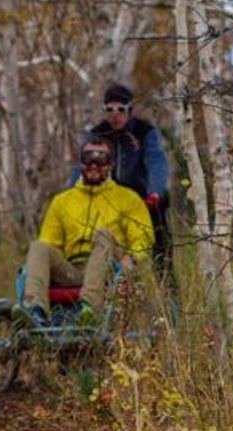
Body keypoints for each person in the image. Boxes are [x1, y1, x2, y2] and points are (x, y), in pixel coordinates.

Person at [14, 137, 154, 329]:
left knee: (104, 235)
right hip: (73, 269)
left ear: (110, 164)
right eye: (89, 158)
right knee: (39, 247)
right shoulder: (62, 201)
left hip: (110, 267)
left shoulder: (127, 199)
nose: (94, 165)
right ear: (81, 163)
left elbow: (143, 238)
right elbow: (49, 242)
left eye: (101, 159)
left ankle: (88, 309)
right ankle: (35, 313)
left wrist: (132, 258)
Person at [71, 83, 174, 289]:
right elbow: (80, 168)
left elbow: (156, 163)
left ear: (130, 110)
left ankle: (169, 295)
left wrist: (155, 192)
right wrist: (72, 196)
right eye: (109, 110)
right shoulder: (97, 135)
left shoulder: (145, 132)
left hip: (143, 203)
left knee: (160, 251)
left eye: (120, 110)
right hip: (108, 202)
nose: (115, 115)